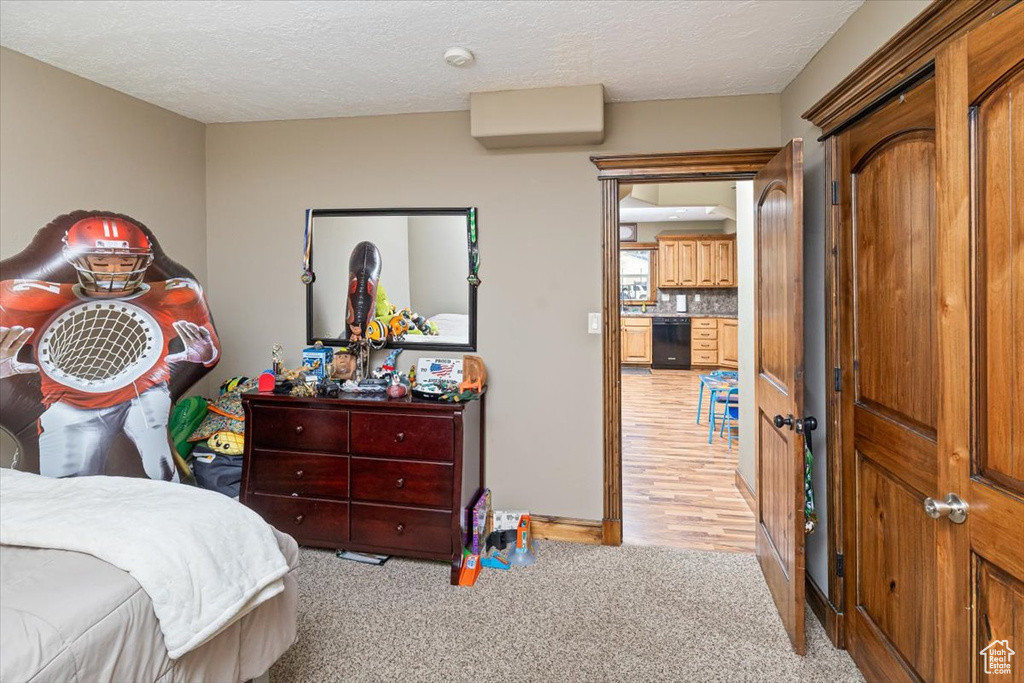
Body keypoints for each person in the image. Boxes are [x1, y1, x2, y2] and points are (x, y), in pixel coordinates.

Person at [0, 216, 219, 480]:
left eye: (126, 262)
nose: (114, 270)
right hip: (70, 400)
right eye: (102, 262)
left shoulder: (174, 295)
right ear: (76, 260)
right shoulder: (25, 298)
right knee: (60, 483)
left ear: (142, 261)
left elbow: (210, 353)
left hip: (146, 390)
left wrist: (202, 354)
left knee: (157, 454)